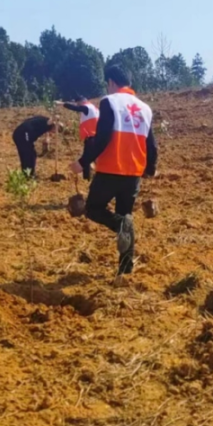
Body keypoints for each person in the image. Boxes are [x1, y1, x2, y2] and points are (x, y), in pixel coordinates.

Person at [70, 66, 157, 275]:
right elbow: (151, 144)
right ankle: (126, 269)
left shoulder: (110, 102)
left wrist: (82, 162)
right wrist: (150, 169)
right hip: (134, 171)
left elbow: (102, 138)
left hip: (111, 168)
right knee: (125, 216)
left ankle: (120, 226)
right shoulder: (145, 108)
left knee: (93, 209)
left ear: (111, 82)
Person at [56, 96, 99, 180]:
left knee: (87, 158)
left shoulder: (87, 107)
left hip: (91, 137)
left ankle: (87, 178)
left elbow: (76, 108)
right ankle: (88, 177)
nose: (78, 105)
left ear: (81, 102)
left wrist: (62, 104)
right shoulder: (94, 108)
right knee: (91, 157)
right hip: (95, 137)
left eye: (78, 103)